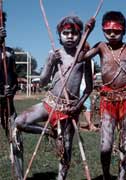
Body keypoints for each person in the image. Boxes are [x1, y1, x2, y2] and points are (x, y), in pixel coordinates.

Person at [15, 16, 93, 180]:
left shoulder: (84, 57)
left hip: (69, 109)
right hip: (50, 102)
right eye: (66, 33)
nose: (70, 36)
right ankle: (48, 131)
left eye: (74, 33)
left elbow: (89, 88)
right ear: (59, 35)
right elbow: (43, 81)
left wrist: (78, 106)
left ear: (80, 35)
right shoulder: (54, 54)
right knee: (20, 121)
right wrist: (50, 63)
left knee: (65, 148)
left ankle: (61, 178)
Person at [82, 11, 126, 180]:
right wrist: (86, 31)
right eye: (107, 30)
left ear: (123, 30)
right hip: (108, 102)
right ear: (102, 30)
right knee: (105, 147)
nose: (111, 34)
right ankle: (106, 175)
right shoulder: (101, 47)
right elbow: (80, 57)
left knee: (125, 144)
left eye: (116, 31)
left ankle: (123, 176)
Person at [0, 12, 23, 180]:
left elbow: (14, 77)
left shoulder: (9, 53)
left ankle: (19, 176)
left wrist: (12, 89)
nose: (2, 29)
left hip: (8, 105)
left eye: (2, 25)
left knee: (16, 140)